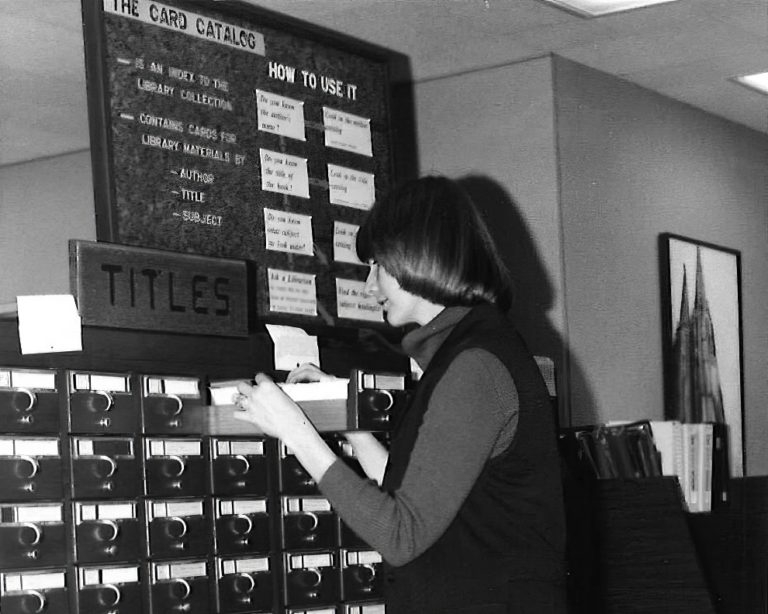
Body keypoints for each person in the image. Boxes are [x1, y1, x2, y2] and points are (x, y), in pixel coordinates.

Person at [235, 176, 567, 613]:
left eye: (378, 264)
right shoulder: (467, 351)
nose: (369, 285)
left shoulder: (475, 366)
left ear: (421, 257)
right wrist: (347, 423)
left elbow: (401, 534)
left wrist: (296, 434)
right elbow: (425, 493)